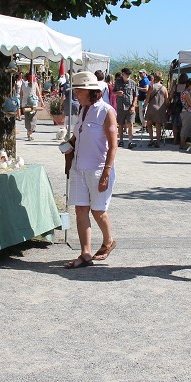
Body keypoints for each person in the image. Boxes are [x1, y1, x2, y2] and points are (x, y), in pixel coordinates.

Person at [63, 70, 119, 269]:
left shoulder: (106, 111)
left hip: (98, 168)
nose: (75, 94)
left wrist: (106, 171)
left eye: (78, 91)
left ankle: (108, 240)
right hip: (79, 167)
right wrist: (68, 144)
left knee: (98, 211)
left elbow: (113, 145)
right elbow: (78, 135)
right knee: (80, 209)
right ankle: (85, 253)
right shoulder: (81, 109)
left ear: (90, 91)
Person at [114, 68, 138, 149]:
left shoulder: (133, 83)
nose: (128, 76)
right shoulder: (117, 82)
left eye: (129, 74)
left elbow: (135, 95)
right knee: (120, 124)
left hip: (130, 107)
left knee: (130, 123)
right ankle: (121, 140)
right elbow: (113, 93)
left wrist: (133, 106)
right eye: (126, 74)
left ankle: (130, 141)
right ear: (123, 74)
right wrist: (117, 93)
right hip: (120, 106)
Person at [144, 73, 168, 147]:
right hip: (160, 108)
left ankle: (151, 140)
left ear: (154, 78)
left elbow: (147, 98)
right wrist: (166, 108)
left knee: (149, 123)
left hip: (151, 107)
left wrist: (144, 106)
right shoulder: (164, 88)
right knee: (158, 125)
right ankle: (158, 141)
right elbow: (167, 100)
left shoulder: (151, 86)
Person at [19, 71, 42, 141]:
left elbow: (21, 94)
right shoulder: (35, 84)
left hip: (24, 103)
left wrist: (20, 103)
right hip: (33, 103)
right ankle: (30, 133)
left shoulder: (23, 84)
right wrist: (42, 102)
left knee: (27, 118)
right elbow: (38, 94)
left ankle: (28, 132)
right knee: (33, 118)